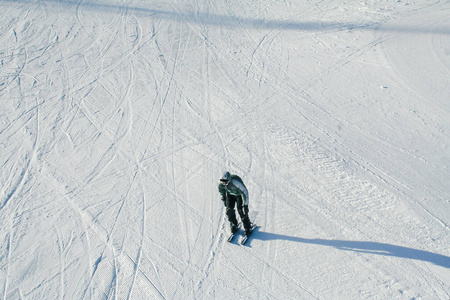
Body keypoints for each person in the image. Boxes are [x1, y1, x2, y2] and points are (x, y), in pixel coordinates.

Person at [218, 171, 253, 236]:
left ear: (229, 180)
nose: (224, 184)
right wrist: (224, 198)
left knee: (241, 210)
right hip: (230, 194)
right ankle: (233, 224)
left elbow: (245, 192)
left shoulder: (235, 182)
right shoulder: (221, 184)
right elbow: (221, 191)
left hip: (240, 195)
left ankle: (248, 226)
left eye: (225, 182)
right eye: (223, 182)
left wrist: (245, 205)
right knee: (229, 210)